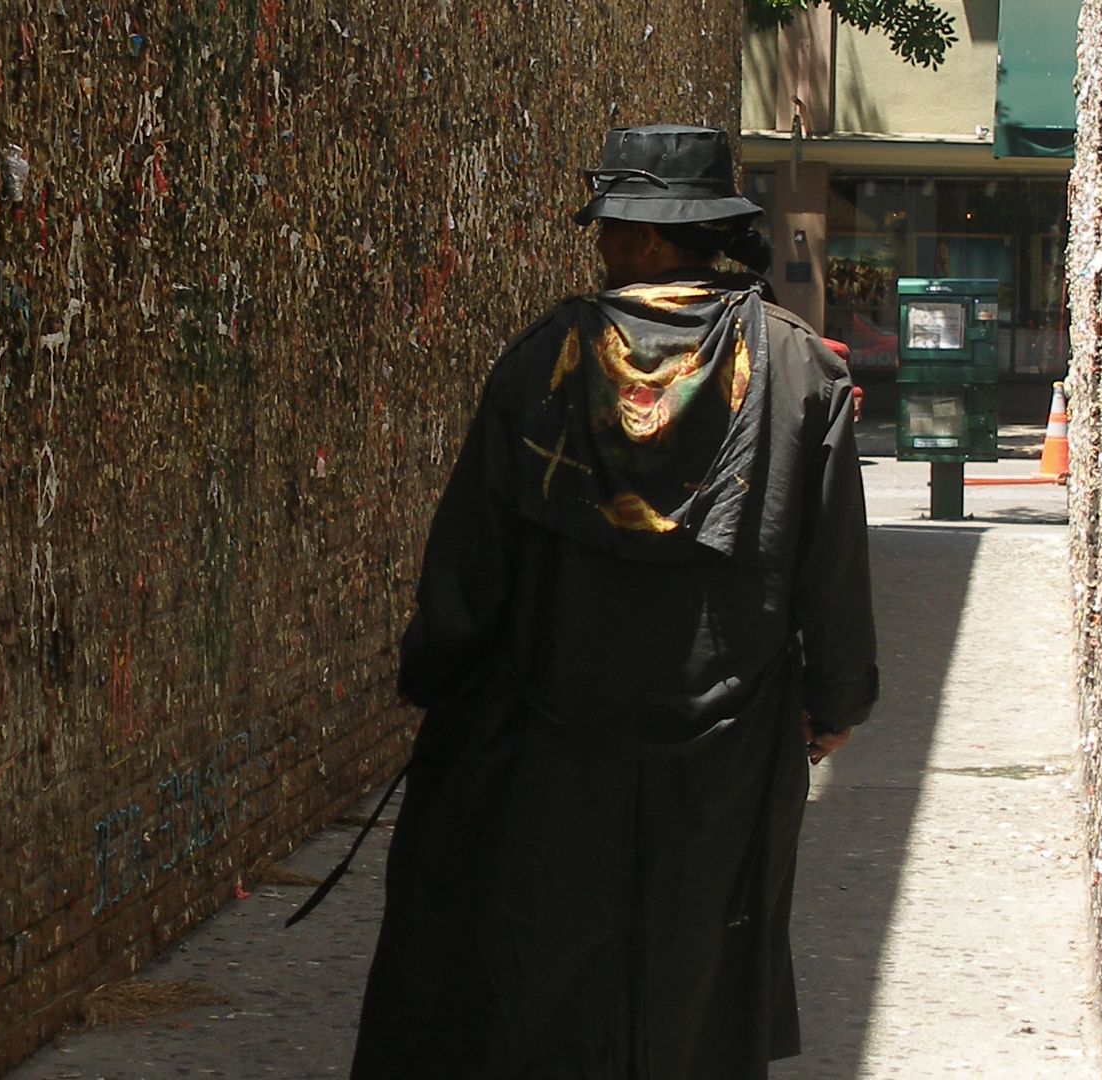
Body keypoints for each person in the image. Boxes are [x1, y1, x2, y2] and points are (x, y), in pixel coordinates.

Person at [351, 124, 878, 1080]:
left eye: (608, 230)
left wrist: (437, 678)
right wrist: (837, 701)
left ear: (640, 239)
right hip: (728, 744)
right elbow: (833, 567)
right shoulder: (802, 372)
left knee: (548, 958)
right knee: (702, 955)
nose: (599, 248)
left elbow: (470, 563)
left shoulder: (540, 362)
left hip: (555, 737)